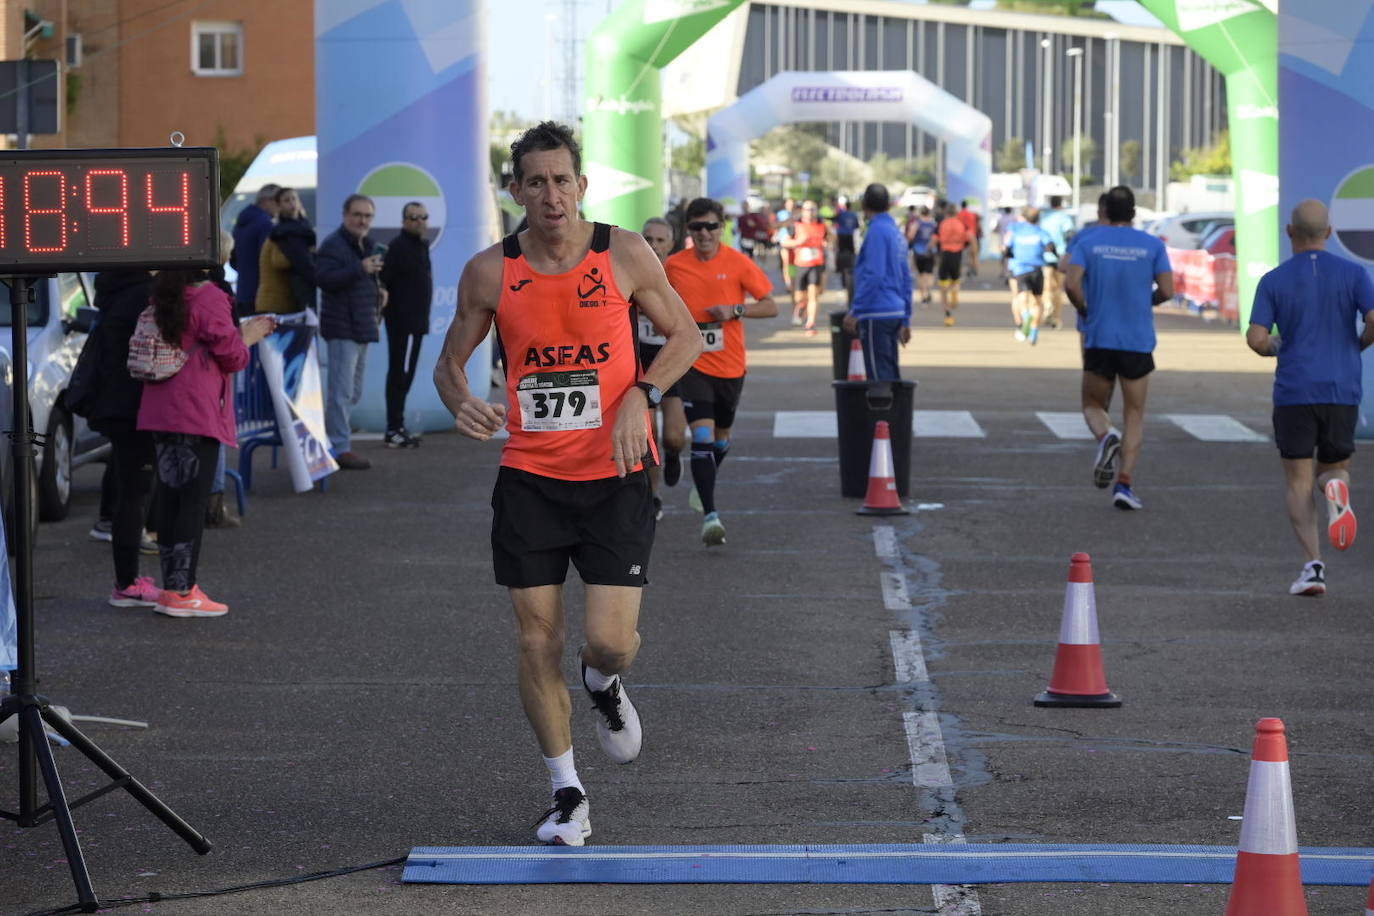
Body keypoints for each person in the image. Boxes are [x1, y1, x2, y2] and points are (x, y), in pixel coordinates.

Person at [434, 121, 701, 847]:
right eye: (535, 182)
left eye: (562, 180)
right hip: (530, 478)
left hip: (617, 475)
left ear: (581, 186)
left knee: (610, 642)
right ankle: (567, 795)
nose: (551, 195)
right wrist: (462, 399)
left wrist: (641, 394)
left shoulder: (625, 253)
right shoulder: (490, 271)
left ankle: (603, 683)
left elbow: (687, 337)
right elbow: (450, 361)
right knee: (534, 642)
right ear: (516, 190)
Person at [1246, 199, 1374, 596]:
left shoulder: (1273, 280)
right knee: (1334, 466)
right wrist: (1357, 347)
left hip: (1295, 390)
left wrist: (1275, 347)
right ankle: (1335, 486)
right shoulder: (1355, 274)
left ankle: (1313, 567)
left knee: (1298, 481)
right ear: (1330, 233)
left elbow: (1256, 338)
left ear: (1289, 232)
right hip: (1342, 387)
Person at [137, 271, 275, 617]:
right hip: (195, 410)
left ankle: (172, 588)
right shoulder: (210, 297)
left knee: (170, 497)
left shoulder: (163, 294)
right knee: (192, 502)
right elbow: (234, 356)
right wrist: (249, 335)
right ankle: (183, 592)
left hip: (160, 408)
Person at [667, 197, 777, 546]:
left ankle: (704, 481)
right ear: (688, 230)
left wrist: (735, 309)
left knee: (721, 439)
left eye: (711, 226)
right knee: (700, 436)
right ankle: (711, 516)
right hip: (692, 364)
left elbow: (771, 305)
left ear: (722, 228)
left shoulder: (739, 263)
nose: (704, 234)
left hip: (730, 366)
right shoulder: (672, 266)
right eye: (697, 227)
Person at [1063, 186, 1173, 511]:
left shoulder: (1089, 242)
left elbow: (1070, 282)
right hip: (1137, 341)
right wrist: (1145, 301)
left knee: (1093, 404)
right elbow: (1168, 289)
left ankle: (1105, 435)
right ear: (1134, 213)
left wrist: (1085, 308)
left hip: (1100, 336)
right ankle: (1124, 484)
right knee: (1135, 414)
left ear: (1105, 212)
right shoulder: (1152, 245)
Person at [86, 270, 160, 607]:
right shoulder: (142, 296)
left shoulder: (115, 294)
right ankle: (127, 584)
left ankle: (126, 580)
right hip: (133, 405)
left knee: (127, 488)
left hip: (114, 402)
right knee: (134, 493)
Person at [317, 193, 385, 470]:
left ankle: (332, 438)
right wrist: (360, 268)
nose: (362, 220)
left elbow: (358, 282)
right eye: (357, 214)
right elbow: (324, 279)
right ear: (345, 215)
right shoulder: (333, 245)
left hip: (361, 325)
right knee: (341, 392)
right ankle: (338, 447)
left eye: (367, 216)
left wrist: (378, 291)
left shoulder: (365, 245)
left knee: (352, 392)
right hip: (342, 327)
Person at [638, 217, 690, 519]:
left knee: (672, 436)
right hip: (640, 358)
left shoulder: (679, 273)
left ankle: (674, 455)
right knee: (648, 435)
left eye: (660, 241)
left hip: (671, 356)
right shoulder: (629, 270)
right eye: (648, 239)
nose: (654, 246)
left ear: (670, 244)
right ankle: (653, 496)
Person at [842, 184, 911, 381]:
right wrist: (906, 317)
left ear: (863, 204)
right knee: (890, 373)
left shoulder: (877, 232)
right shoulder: (896, 233)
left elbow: (875, 274)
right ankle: (895, 412)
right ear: (889, 205)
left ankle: (884, 413)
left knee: (879, 379)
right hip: (895, 310)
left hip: (877, 312)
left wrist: (856, 310)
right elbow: (906, 278)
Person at [379, 200, 434, 448]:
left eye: (423, 217)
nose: (419, 221)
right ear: (403, 221)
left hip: (416, 324)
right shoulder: (397, 247)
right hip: (402, 324)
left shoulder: (421, 246)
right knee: (399, 375)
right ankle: (394, 429)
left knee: (406, 375)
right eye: (413, 217)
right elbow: (383, 284)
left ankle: (397, 427)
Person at [256, 187, 316, 315]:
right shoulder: (280, 233)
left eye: (294, 199)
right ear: (279, 205)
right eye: (287, 200)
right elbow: (278, 261)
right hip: (276, 299)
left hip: (286, 298)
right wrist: (305, 254)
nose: (292, 203)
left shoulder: (301, 228)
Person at [1005, 207, 1056, 345]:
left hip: (1020, 268)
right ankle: (1034, 332)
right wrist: (1055, 256)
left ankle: (1025, 316)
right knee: (1038, 301)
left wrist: (1009, 256)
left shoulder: (1016, 230)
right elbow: (1050, 245)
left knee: (1022, 297)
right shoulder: (1040, 231)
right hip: (1037, 269)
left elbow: (1007, 247)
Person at [230, 184, 280, 319]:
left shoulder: (241, 223)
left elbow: (233, 259)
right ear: (266, 201)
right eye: (278, 201)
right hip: (262, 295)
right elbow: (269, 260)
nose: (280, 206)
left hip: (242, 292)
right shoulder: (266, 224)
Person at [782, 201, 827, 335]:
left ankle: (810, 323)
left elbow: (830, 238)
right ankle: (801, 305)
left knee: (814, 295)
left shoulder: (822, 224)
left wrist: (828, 241)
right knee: (799, 297)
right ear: (802, 211)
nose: (810, 212)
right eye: (807, 209)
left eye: (813, 209)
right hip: (800, 264)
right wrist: (798, 242)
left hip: (816, 263)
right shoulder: (795, 225)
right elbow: (784, 242)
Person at [1039, 195, 1075, 329]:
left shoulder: (1044, 217)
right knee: (1058, 288)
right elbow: (1070, 235)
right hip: (1062, 256)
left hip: (1045, 255)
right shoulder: (1064, 218)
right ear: (1061, 204)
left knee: (1047, 285)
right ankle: (1056, 317)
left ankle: (1047, 304)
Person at [936, 205, 969, 326]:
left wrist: (930, 249)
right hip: (957, 256)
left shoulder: (942, 224)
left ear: (947, 213)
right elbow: (969, 238)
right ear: (956, 213)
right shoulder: (961, 224)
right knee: (955, 280)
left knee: (943, 286)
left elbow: (935, 238)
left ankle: (947, 314)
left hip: (945, 255)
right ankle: (954, 292)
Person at [906, 205, 937, 306]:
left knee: (920, 274)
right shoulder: (933, 223)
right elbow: (936, 237)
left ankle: (923, 297)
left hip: (918, 251)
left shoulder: (917, 223)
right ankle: (928, 290)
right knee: (929, 273)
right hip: (930, 251)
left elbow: (910, 236)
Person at [832, 197, 861, 304]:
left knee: (841, 253)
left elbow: (833, 220)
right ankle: (849, 268)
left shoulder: (842, 214)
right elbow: (856, 227)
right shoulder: (853, 215)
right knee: (850, 255)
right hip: (850, 237)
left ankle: (841, 267)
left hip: (842, 237)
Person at [957, 199, 981, 277]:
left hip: (962, 236)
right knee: (974, 255)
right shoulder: (972, 214)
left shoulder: (959, 214)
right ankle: (975, 269)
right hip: (972, 235)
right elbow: (977, 225)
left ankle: (964, 271)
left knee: (962, 255)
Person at [775, 198, 795, 290]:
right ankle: (788, 283)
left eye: (792, 203)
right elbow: (777, 225)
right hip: (784, 241)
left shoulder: (797, 213)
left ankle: (793, 279)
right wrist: (776, 234)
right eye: (789, 203)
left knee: (793, 262)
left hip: (795, 241)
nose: (790, 205)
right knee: (786, 262)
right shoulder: (781, 214)